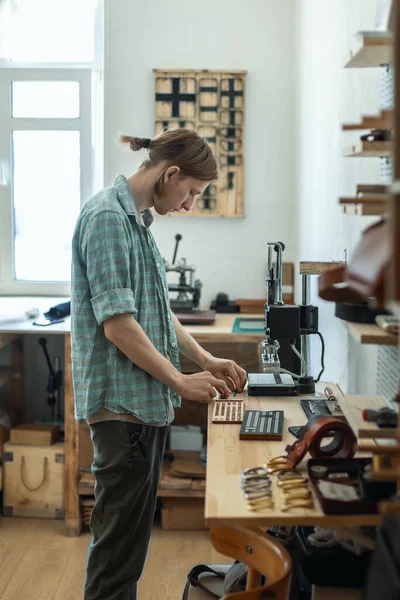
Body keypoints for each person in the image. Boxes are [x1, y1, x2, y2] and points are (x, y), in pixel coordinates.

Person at [71, 128, 247, 600]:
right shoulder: (107, 218)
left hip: (143, 404)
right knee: (116, 556)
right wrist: (182, 382)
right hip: (121, 407)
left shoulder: (138, 224)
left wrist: (206, 358)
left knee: (129, 547)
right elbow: (119, 326)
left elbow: (155, 311)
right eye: (191, 193)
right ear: (170, 173)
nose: (189, 205)